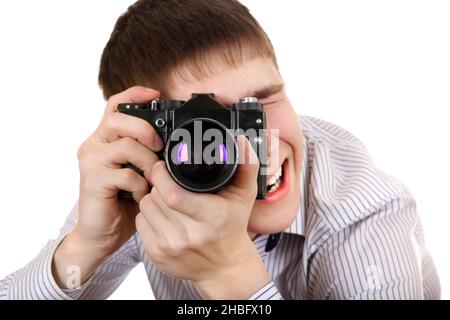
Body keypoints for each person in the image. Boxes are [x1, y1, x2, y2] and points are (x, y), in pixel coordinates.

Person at [0, 0, 440, 300]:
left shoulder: (366, 211)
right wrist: (85, 248)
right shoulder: (147, 182)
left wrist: (229, 274)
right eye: (211, 125)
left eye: (261, 101)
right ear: (150, 142)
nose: (257, 142)